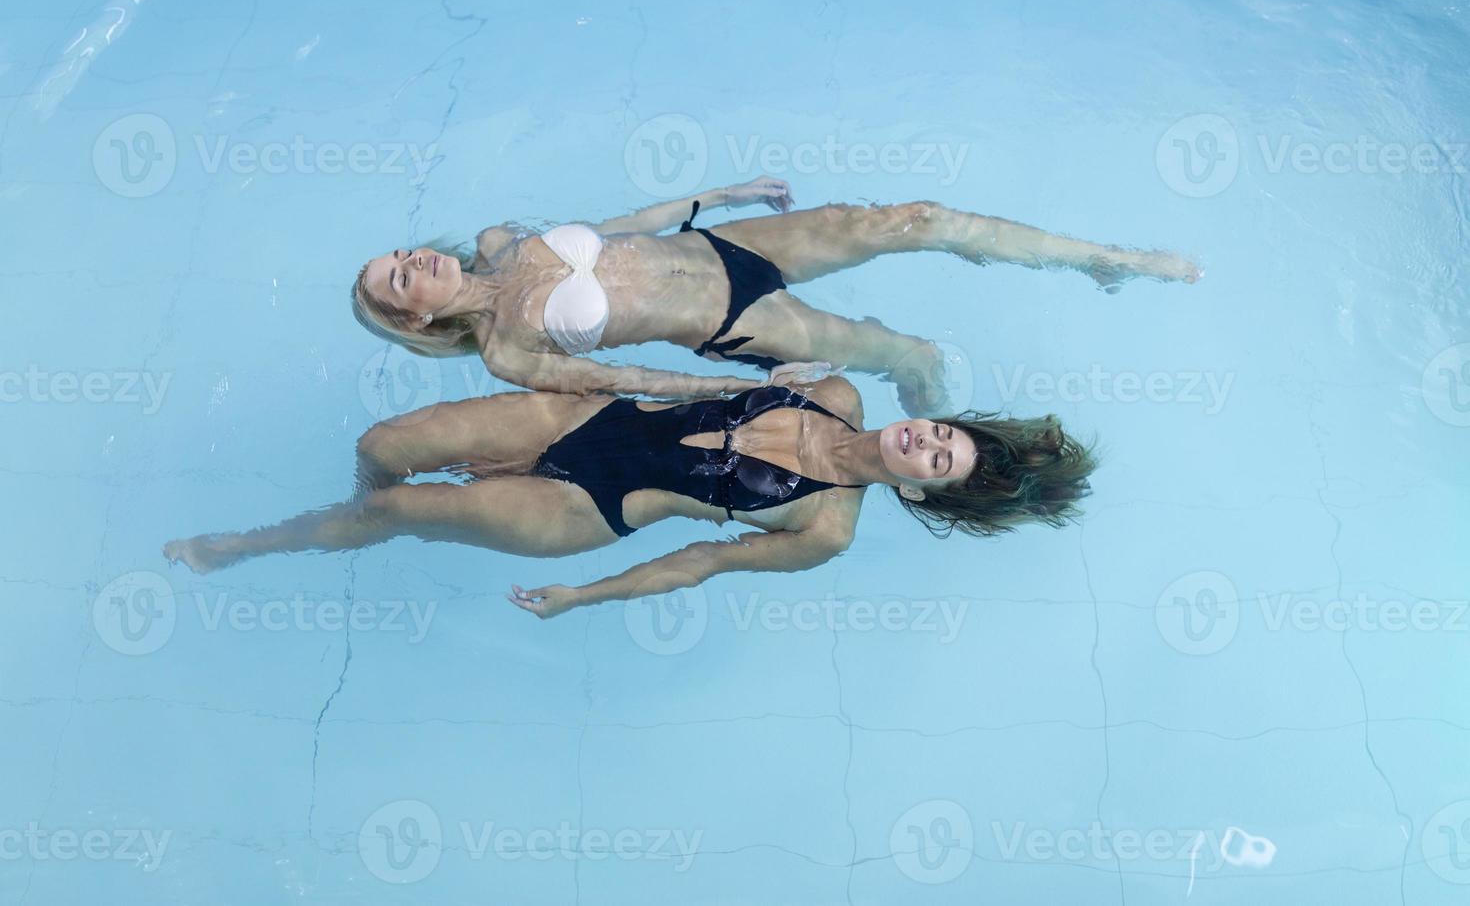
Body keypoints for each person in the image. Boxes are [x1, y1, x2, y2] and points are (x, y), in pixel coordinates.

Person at [162, 377, 1097, 619]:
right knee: (383, 451)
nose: (923, 443)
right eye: (941, 433)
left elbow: (697, 564)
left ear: (927, 496)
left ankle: (253, 545)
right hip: (584, 418)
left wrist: (583, 597)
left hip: (585, 512)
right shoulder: (837, 389)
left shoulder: (826, 526)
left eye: (935, 463)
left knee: (401, 511)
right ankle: (348, 515)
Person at [352, 178, 1199, 416]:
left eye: (399, 252)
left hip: (732, 244)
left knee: (918, 217)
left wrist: (719, 198)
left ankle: (1101, 260)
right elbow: (628, 384)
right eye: (398, 277)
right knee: (915, 353)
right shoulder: (506, 351)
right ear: (414, 318)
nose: (412, 260)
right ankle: (938, 430)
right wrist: (741, 390)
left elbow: (616, 226)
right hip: (738, 322)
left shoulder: (503, 237)